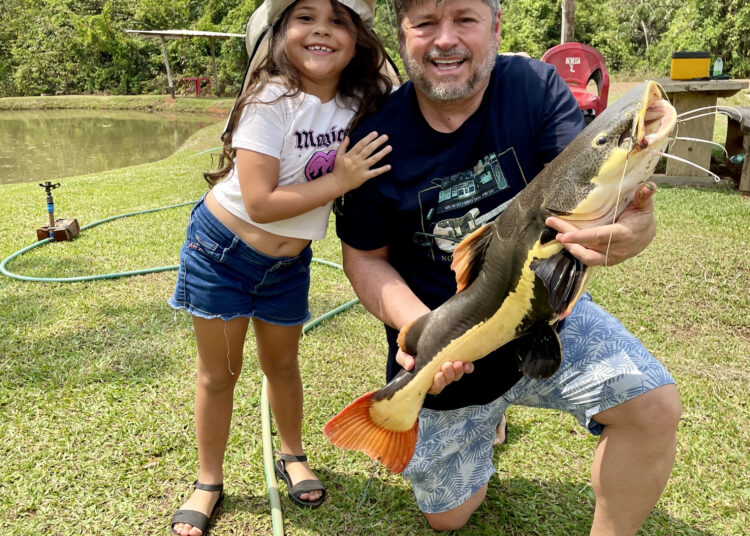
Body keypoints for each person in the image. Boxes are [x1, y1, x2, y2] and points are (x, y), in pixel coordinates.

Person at [335, 0, 682, 533]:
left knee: (654, 405)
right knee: (447, 518)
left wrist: (635, 226)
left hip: (550, 317)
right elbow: (364, 255)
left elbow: (584, 178)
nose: (445, 39)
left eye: (465, 19)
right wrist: (416, 328)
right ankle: (486, 415)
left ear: (495, 28)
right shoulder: (375, 139)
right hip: (447, 347)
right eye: (425, 23)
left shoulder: (534, 87)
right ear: (401, 35)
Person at [167, 0, 394, 533]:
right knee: (219, 375)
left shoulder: (365, 102)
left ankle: (291, 455)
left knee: (283, 367)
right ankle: (208, 481)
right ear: (280, 32)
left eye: (339, 20)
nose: (322, 29)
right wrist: (339, 181)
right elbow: (262, 201)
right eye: (305, 17)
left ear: (358, 37)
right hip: (221, 255)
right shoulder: (271, 99)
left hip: (288, 266)